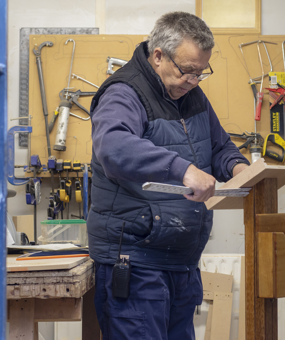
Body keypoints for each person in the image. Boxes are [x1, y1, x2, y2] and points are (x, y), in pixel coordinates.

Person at [88, 11, 249, 340]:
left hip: (181, 262)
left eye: (201, 73)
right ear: (158, 55)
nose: (193, 80)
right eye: (187, 71)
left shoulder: (192, 95)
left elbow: (219, 146)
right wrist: (184, 170)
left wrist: (240, 168)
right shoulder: (124, 93)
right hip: (136, 263)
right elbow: (114, 147)